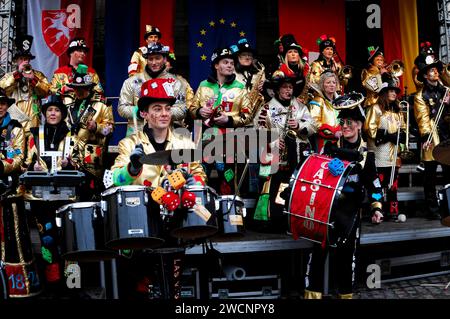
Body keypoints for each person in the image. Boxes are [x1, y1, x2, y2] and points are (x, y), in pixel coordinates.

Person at [109, 78, 206, 299]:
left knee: (172, 289)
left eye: (167, 108)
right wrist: (132, 169)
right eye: (157, 108)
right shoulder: (129, 144)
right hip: (141, 226)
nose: (164, 113)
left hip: (176, 225)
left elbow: (200, 176)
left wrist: (190, 182)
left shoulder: (184, 141)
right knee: (140, 289)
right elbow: (113, 180)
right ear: (144, 114)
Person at [303, 95, 383, 299]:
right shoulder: (328, 149)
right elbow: (314, 175)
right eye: (343, 122)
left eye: (350, 123)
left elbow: (374, 184)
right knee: (318, 255)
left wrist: (376, 208)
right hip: (325, 209)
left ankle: (345, 295)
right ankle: (312, 296)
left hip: (350, 213)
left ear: (358, 125)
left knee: (346, 258)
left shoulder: (367, 155)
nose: (345, 126)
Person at [253, 70, 317, 232]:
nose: (288, 90)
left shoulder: (301, 107)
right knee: (275, 189)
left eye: (290, 87)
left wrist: (300, 126)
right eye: (285, 87)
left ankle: (294, 219)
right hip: (275, 157)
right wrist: (273, 141)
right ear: (277, 90)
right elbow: (258, 130)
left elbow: (313, 126)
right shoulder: (266, 108)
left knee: (294, 188)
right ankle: (274, 221)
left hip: (297, 156)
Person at [20, 95, 72, 293]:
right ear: (43, 114)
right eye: (49, 110)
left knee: (69, 242)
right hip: (41, 198)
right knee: (47, 242)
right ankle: (52, 286)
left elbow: (83, 162)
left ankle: (72, 285)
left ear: (63, 114)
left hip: (66, 196)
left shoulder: (71, 135)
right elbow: (24, 162)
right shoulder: (34, 134)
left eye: (57, 110)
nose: (53, 113)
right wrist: (32, 166)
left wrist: (71, 164)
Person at [189, 47, 253, 195]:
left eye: (232, 62)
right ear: (216, 65)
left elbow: (247, 115)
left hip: (230, 141)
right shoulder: (204, 85)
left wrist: (229, 119)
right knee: (206, 177)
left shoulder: (240, 88)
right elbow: (191, 109)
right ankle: (207, 212)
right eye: (225, 62)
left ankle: (229, 213)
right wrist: (199, 111)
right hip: (206, 140)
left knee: (228, 179)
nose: (230, 65)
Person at [0, 88, 42, 297]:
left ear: (7, 105)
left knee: (14, 239)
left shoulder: (15, 128)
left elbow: (18, 159)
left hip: (10, 191)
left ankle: (20, 284)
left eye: (1, 103)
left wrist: (1, 166)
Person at [63, 65, 114, 200]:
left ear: (89, 88)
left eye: (83, 88)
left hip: (90, 161)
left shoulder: (102, 105)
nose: (79, 91)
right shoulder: (69, 106)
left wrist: (97, 127)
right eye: (76, 88)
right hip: (70, 158)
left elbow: (110, 130)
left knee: (89, 198)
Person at [119, 42, 193, 135]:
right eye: (150, 59)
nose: (154, 62)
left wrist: (160, 113)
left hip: (167, 136)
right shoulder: (131, 82)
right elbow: (122, 108)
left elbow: (182, 110)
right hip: (137, 136)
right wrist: (140, 112)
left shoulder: (175, 82)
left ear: (165, 59)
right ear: (146, 60)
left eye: (157, 58)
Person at [364, 75, 407, 223]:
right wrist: (388, 135)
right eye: (391, 91)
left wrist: (401, 138)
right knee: (378, 185)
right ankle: (378, 211)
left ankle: (393, 211)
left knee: (393, 186)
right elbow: (369, 129)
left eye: (396, 91)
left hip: (394, 155)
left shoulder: (397, 111)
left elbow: (403, 128)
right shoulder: (375, 108)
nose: (395, 93)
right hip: (379, 154)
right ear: (384, 92)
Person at [414, 50, 450, 220]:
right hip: (432, 138)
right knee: (430, 176)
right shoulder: (420, 96)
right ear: (425, 75)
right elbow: (422, 118)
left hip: (447, 136)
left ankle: (447, 208)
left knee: (449, 174)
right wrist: (425, 138)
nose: (435, 72)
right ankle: (432, 209)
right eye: (431, 70)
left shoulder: (446, 90)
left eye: (436, 70)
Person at [0, 35, 51, 137]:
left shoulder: (38, 75)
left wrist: (33, 79)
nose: (25, 61)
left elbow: (47, 91)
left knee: (33, 152)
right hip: (14, 122)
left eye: (27, 59)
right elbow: (3, 89)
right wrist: (17, 74)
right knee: (16, 151)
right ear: (16, 61)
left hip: (34, 121)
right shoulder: (9, 76)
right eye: (22, 59)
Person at [309, 71, 341, 153]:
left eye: (334, 82)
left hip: (340, 141)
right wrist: (333, 133)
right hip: (323, 142)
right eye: (328, 82)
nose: (332, 85)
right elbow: (314, 123)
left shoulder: (341, 101)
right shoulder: (317, 101)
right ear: (322, 85)